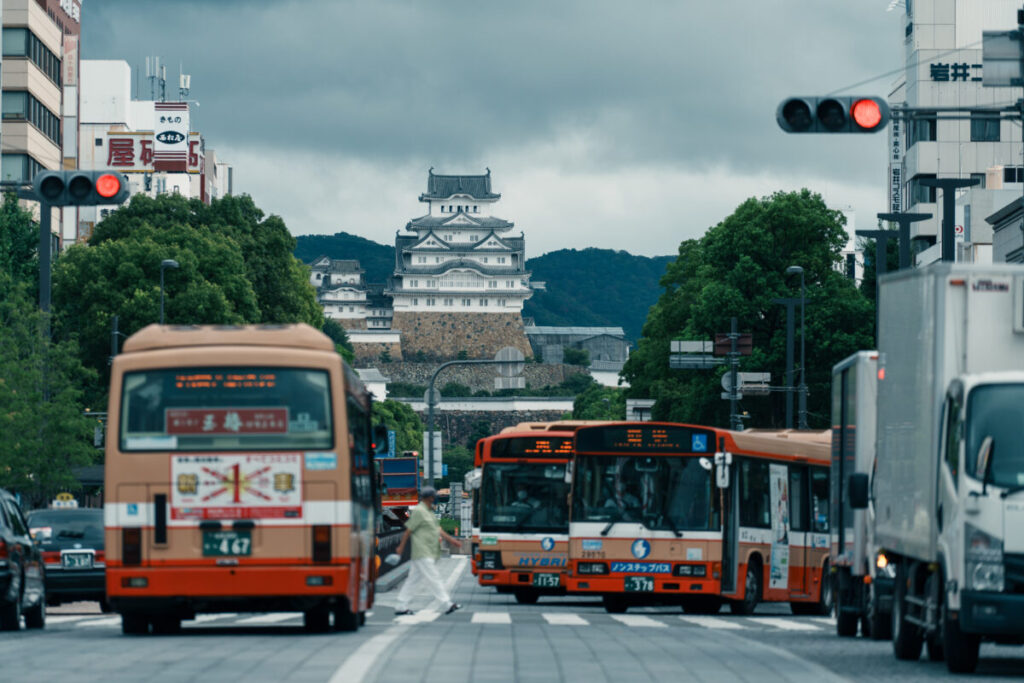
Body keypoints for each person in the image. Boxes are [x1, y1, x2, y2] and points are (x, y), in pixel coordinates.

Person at [394, 487, 463, 615]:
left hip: (427, 551)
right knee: (434, 578)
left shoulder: (429, 512)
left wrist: (452, 540)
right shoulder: (419, 511)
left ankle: (401, 605)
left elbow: (438, 529)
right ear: (429, 498)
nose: (434, 498)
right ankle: (447, 604)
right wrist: (401, 547)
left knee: (412, 580)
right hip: (422, 550)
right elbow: (408, 530)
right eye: (433, 496)